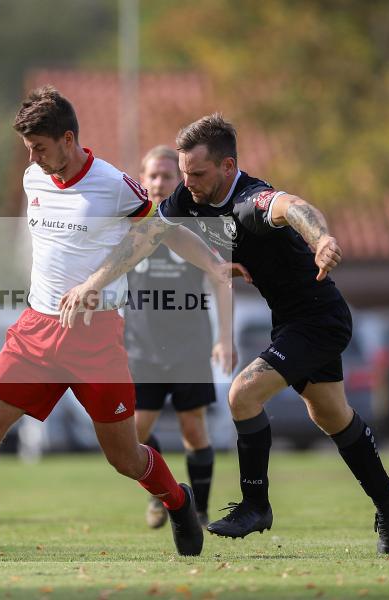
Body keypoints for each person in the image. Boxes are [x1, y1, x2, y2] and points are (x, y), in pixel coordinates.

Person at [59, 114, 389, 555]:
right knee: (330, 415)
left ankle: (256, 504)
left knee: (242, 394)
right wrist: (94, 283)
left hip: (320, 319)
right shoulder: (188, 198)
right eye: (184, 172)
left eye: (198, 173)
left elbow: (294, 207)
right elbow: (148, 236)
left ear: (228, 167)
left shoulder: (251, 200)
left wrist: (321, 238)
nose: (187, 182)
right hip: (291, 321)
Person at [0, 87, 245, 560]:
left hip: (95, 337)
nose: (33, 157)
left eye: (40, 147)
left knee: (125, 458)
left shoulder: (112, 184)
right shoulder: (32, 179)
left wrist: (212, 262)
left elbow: (162, 230)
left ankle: (178, 500)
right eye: (28, 148)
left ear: (68, 139)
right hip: (35, 332)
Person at [124, 145, 237, 530]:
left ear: (180, 182)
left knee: (193, 428)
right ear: (142, 180)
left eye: (167, 176)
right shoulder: (129, 225)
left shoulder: (198, 224)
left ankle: (199, 512)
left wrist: (225, 337)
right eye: (152, 175)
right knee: (134, 432)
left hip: (190, 344)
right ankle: (163, 493)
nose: (159, 182)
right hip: (141, 346)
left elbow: (221, 280)